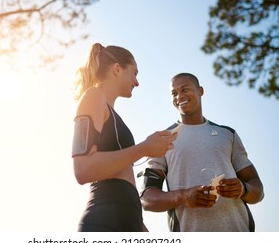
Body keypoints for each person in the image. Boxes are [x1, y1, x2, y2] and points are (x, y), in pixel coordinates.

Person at [71, 43, 177, 232]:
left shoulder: (114, 115)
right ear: (117, 69)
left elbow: (123, 176)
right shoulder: (93, 96)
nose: (137, 82)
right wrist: (145, 148)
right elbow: (83, 169)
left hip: (127, 220)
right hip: (103, 222)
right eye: (135, 73)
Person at [140, 72, 264, 232]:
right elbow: (147, 199)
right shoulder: (163, 139)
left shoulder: (228, 134)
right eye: (174, 93)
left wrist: (242, 189)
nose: (179, 96)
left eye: (185, 89)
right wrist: (184, 196)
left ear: (200, 91)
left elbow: (258, 190)